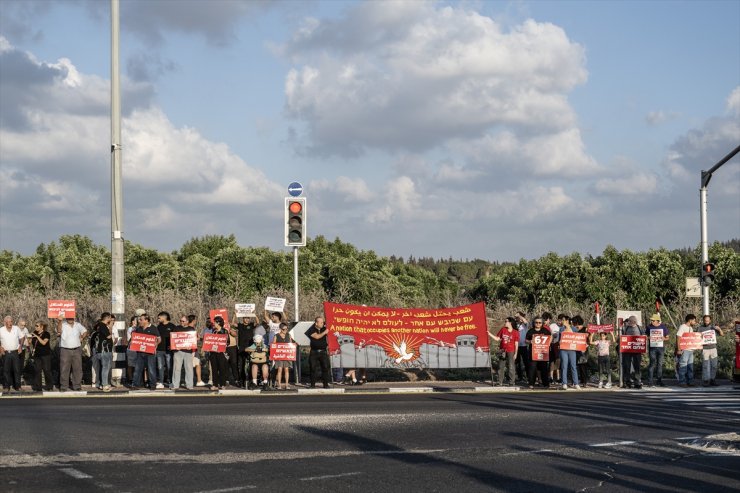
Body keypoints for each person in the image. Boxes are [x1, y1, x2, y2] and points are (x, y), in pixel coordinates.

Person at [55, 313, 88, 392]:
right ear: (66, 318)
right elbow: (59, 330)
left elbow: (85, 331)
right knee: (64, 368)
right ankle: (63, 386)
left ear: (74, 317)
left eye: (71, 317)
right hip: (65, 350)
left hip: (77, 349)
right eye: (68, 318)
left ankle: (77, 386)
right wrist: (59, 321)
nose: (70, 319)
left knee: (77, 368)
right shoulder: (63, 324)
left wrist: (82, 337)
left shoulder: (78, 325)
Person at [488, 317, 519, 386]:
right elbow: (497, 339)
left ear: (510, 323)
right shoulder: (503, 329)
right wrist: (489, 333)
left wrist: (516, 353)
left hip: (511, 350)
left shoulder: (515, 332)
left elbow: (516, 343)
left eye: (506, 321)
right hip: (502, 350)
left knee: (511, 366)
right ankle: (500, 382)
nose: (505, 322)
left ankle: (511, 382)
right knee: (501, 366)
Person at [132, 314, 160, 390]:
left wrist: (156, 344)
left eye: (141, 319)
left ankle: (153, 385)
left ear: (146, 320)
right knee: (138, 369)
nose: (139, 321)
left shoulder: (153, 328)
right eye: (139, 319)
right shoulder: (138, 329)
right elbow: (135, 338)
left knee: (151, 369)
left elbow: (159, 339)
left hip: (150, 353)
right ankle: (135, 384)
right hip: (140, 352)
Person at [171, 315, 197, 390]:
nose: (181, 322)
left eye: (183, 321)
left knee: (189, 368)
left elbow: (193, 339)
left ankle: (189, 385)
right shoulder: (176, 328)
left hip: (188, 351)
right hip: (178, 351)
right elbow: (173, 339)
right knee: (176, 368)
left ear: (187, 322)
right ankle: (175, 385)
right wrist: (175, 347)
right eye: (180, 321)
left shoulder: (191, 329)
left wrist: (192, 348)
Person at [89, 312, 114, 392]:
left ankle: (102, 384)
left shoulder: (100, 326)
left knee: (104, 368)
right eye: (110, 318)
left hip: (103, 350)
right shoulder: (103, 326)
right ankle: (104, 385)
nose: (111, 320)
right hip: (104, 350)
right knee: (105, 368)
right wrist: (110, 327)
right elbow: (108, 336)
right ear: (107, 318)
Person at [305, 316, 331, 388]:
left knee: (325, 368)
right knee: (313, 368)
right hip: (314, 352)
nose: (323, 323)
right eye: (321, 322)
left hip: (323, 351)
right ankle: (312, 385)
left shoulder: (325, 328)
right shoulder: (311, 329)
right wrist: (324, 332)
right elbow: (317, 337)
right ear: (316, 323)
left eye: (323, 322)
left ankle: (325, 384)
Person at [699, 314, 725, 387]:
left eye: (708, 320)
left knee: (714, 365)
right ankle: (705, 380)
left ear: (710, 320)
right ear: (703, 320)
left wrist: (719, 329)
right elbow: (697, 338)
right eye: (705, 320)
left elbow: (722, 335)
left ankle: (712, 379)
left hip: (713, 348)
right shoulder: (700, 328)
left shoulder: (714, 328)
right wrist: (700, 336)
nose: (706, 322)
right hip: (705, 349)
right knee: (705, 365)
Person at [525, 318, 551, 389]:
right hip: (533, 352)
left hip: (543, 352)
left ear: (542, 323)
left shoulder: (545, 330)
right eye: (536, 322)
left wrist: (548, 343)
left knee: (544, 368)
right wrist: (530, 342)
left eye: (540, 322)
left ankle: (546, 384)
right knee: (532, 368)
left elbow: (550, 336)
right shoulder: (531, 331)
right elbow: (526, 340)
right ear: (534, 323)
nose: (538, 324)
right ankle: (531, 384)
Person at [1, 315, 24, 391]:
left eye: (11, 321)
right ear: (5, 323)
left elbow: (22, 337)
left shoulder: (16, 328)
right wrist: (0, 347)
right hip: (6, 353)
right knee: (6, 370)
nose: (10, 323)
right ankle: (6, 387)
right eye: (8, 322)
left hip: (15, 352)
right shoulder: (1, 330)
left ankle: (18, 386)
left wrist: (20, 346)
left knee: (17, 370)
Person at [646, 313, 669, 387]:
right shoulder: (649, 327)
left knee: (659, 364)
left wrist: (664, 338)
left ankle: (659, 381)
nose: (652, 321)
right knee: (652, 364)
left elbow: (667, 337)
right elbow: (646, 336)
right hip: (652, 347)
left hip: (660, 347)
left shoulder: (663, 327)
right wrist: (649, 337)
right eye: (651, 320)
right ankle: (650, 381)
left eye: (653, 320)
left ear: (657, 321)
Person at [621, 316, 644, 389]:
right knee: (627, 366)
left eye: (629, 321)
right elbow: (622, 337)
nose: (628, 323)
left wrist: (643, 348)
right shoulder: (626, 328)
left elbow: (644, 338)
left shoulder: (640, 328)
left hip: (637, 350)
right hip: (627, 350)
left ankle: (637, 382)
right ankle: (627, 382)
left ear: (633, 322)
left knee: (637, 366)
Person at [236, 314, 258, 388]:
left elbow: (257, 323)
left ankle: (251, 381)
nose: (247, 320)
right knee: (241, 365)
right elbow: (232, 324)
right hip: (242, 348)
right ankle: (242, 381)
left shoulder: (251, 325)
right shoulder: (240, 325)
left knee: (251, 365)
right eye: (245, 318)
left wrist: (254, 315)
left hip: (250, 347)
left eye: (248, 318)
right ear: (243, 319)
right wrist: (234, 314)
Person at [676, 314, 698, 388]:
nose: (695, 322)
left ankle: (690, 381)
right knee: (683, 366)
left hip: (690, 350)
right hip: (684, 349)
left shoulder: (691, 328)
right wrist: (679, 349)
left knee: (690, 366)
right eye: (694, 320)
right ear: (690, 320)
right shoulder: (682, 327)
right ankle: (682, 382)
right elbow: (678, 337)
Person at [559, 316, 580, 390]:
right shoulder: (561, 328)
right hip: (563, 349)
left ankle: (576, 383)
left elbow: (577, 337)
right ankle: (564, 383)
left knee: (573, 366)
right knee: (564, 366)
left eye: (564, 320)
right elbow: (560, 339)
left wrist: (568, 326)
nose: (562, 321)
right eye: (562, 320)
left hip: (572, 349)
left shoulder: (574, 328)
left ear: (567, 320)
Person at [30, 321, 53, 391]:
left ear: (42, 327)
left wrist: (36, 336)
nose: (35, 327)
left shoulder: (46, 334)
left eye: (37, 326)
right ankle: (38, 387)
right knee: (37, 371)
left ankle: (49, 386)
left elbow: (43, 343)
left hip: (45, 355)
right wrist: (29, 339)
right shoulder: (34, 333)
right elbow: (30, 343)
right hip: (37, 355)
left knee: (47, 370)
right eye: (35, 326)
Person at [156, 311, 176, 389]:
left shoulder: (172, 326)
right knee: (160, 367)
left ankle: (170, 381)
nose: (158, 319)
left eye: (159, 317)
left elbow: (176, 337)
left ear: (164, 317)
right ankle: (161, 382)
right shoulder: (158, 327)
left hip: (168, 351)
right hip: (159, 350)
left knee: (169, 367)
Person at [208, 316, 230, 390]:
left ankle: (222, 384)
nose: (213, 323)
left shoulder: (224, 331)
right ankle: (215, 384)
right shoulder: (214, 331)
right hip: (213, 353)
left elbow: (228, 342)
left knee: (221, 368)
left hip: (221, 353)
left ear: (219, 323)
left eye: (215, 322)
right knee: (214, 369)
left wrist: (222, 345)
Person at [273, 322, 295, 390]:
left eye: (286, 329)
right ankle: (279, 384)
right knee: (279, 369)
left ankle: (286, 384)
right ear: (280, 329)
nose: (285, 330)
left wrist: (294, 345)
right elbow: (273, 345)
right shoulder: (276, 336)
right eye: (283, 329)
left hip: (287, 355)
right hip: (279, 355)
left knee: (286, 369)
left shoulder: (289, 335)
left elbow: (291, 344)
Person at [573, 316, 590, 385]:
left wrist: (587, 344)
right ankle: (581, 380)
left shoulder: (585, 329)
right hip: (576, 349)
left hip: (584, 350)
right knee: (578, 366)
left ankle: (584, 381)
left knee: (583, 365)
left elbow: (589, 338)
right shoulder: (575, 330)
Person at [515, 312, 529, 383]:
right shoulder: (515, 324)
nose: (517, 318)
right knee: (517, 362)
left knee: (526, 362)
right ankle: (519, 377)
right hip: (516, 346)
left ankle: (528, 377)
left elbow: (525, 321)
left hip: (524, 346)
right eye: (517, 317)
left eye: (519, 317)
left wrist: (520, 316)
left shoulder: (525, 325)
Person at [125, 315, 139, 386]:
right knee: (130, 365)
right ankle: (130, 379)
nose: (135, 322)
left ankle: (137, 379)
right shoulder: (130, 329)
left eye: (136, 320)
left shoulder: (140, 328)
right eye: (133, 320)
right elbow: (130, 339)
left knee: (138, 365)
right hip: (131, 348)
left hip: (138, 349)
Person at [226, 318, 240, 387]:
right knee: (226, 365)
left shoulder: (230, 326)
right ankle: (226, 380)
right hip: (224, 348)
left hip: (232, 347)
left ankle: (236, 380)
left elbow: (235, 334)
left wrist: (231, 331)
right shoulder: (220, 327)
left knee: (234, 364)